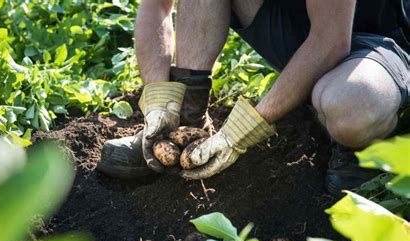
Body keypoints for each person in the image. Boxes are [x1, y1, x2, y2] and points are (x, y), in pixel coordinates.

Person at [97, 0, 409, 197]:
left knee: (350, 106)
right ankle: (182, 122)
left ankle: (360, 149)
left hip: (376, 42)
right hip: (301, 28)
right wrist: (157, 102)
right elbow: (156, 6)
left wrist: (242, 132)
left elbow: (329, 41)